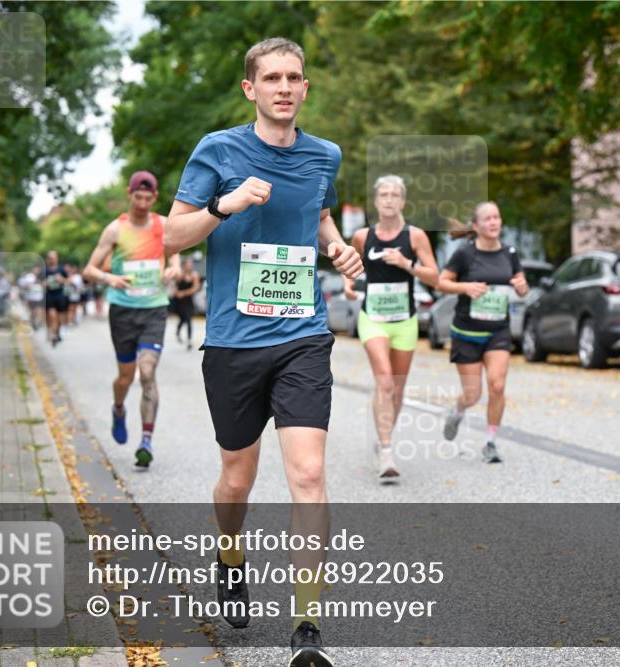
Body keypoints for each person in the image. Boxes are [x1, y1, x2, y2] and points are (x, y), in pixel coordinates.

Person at [165, 37, 362, 667]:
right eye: (271, 77)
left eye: (294, 77)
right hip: (231, 342)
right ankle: (228, 555)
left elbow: (319, 213)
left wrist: (336, 246)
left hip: (302, 335)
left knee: (307, 475)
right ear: (250, 88)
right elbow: (171, 234)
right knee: (237, 480)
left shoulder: (324, 155)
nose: (284, 86)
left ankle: (308, 626)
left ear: (306, 88)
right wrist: (225, 204)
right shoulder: (217, 149)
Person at [83, 171, 181, 468]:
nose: (141, 203)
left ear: (154, 197)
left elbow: (175, 256)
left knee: (147, 371)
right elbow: (89, 270)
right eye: (137, 197)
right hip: (123, 311)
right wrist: (109, 278)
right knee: (125, 377)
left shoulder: (164, 226)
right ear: (129, 194)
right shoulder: (115, 230)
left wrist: (173, 269)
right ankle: (118, 408)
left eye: (147, 198)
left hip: (154, 308)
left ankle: (146, 441)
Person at [344, 174, 438, 479]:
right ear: (375, 201)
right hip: (373, 318)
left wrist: (406, 264)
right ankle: (386, 449)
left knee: (396, 388)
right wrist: (348, 284)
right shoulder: (362, 236)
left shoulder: (416, 237)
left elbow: (435, 277)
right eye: (383, 194)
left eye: (394, 194)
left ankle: (385, 436)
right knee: (384, 380)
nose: (388, 199)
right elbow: (350, 263)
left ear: (403, 201)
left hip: (405, 321)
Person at [438, 202, 528, 464]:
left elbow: (522, 288)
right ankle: (457, 410)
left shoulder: (510, 253)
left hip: (498, 330)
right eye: (487, 218)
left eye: (497, 217)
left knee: (498, 385)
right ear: (476, 226)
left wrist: (522, 287)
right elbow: (441, 282)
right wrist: (466, 287)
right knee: (473, 394)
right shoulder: (465, 255)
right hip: (466, 332)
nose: (493, 222)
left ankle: (490, 442)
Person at [171, 257, 201, 350]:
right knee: (182, 319)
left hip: (188, 301)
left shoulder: (194, 275)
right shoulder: (180, 275)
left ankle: (189, 340)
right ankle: (178, 331)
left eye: (190, 264)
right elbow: (174, 286)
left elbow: (195, 288)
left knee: (188, 320)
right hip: (179, 302)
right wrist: (176, 292)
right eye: (188, 264)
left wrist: (183, 293)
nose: (189, 266)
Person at [43, 251, 68, 346]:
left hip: (60, 296)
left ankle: (57, 332)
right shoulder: (45, 270)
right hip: (50, 296)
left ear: (57, 258)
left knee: (60, 319)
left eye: (53, 257)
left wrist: (61, 279)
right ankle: (53, 334)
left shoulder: (62, 269)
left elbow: (68, 281)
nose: (52, 259)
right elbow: (41, 283)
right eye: (50, 258)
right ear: (47, 259)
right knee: (52, 316)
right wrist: (46, 283)